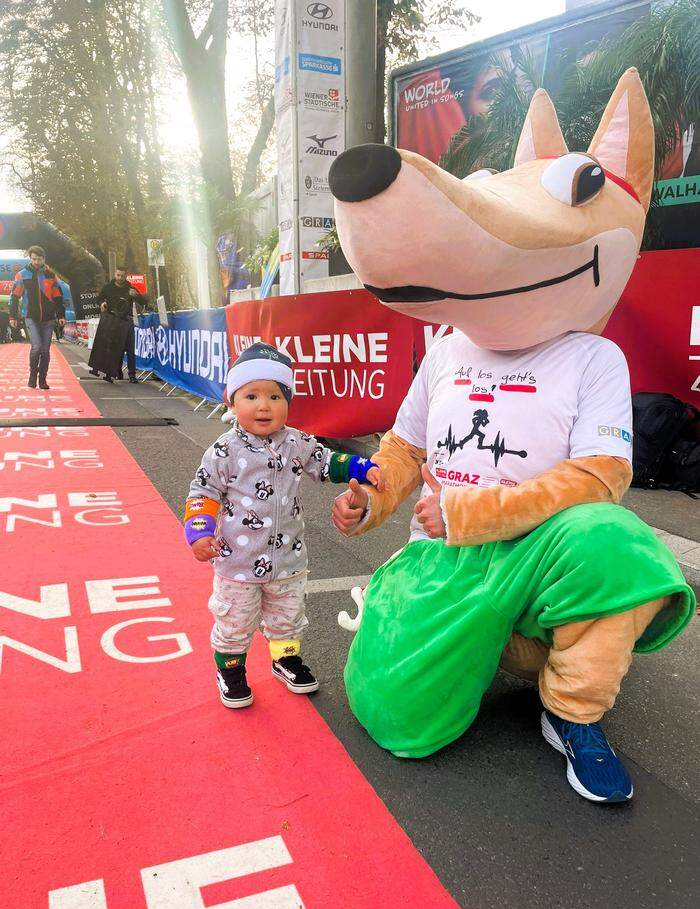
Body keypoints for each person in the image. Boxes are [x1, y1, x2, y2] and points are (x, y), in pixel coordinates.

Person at [329, 70, 695, 804]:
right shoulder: (448, 345)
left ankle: (572, 713)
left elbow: (599, 478)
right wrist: (369, 498)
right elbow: (405, 448)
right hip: (448, 560)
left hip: (536, 560)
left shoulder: (594, 357)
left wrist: (476, 513)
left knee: (614, 542)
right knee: (398, 722)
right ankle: (469, 637)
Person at [184, 343, 382, 709]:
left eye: (275, 396)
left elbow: (326, 462)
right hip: (238, 563)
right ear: (232, 402)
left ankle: (285, 659)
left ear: (287, 402)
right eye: (252, 395)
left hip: (288, 560)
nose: (264, 405)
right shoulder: (224, 451)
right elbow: (203, 492)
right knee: (235, 622)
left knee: (288, 617)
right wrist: (198, 531)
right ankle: (230, 669)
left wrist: (359, 467)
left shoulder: (297, 442)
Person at [9, 246, 65, 390]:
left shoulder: (51, 275)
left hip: (48, 318)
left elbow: (58, 296)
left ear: (44, 259)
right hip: (30, 317)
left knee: (45, 350)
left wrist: (61, 315)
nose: (36, 262)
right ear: (30, 258)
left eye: (39, 259)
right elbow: (14, 297)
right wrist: (13, 316)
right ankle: (33, 376)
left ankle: (43, 379)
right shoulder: (22, 275)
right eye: (34, 259)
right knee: (37, 347)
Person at [93, 265, 147, 382]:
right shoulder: (108, 288)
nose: (120, 278)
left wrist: (136, 295)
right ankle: (116, 372)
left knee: (130, 349)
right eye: (118, 275)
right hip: (112, 320)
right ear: (115, 275)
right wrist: (102, 303)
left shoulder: (130, 288)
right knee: (114, 348)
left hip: (127, 321)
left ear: (126, 276)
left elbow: (144, 302)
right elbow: (98, 299)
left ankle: (132, 375)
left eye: (123, 276)